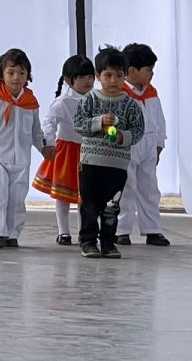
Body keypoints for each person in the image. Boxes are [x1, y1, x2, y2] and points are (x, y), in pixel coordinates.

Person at [0, 48, 52, 248]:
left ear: (28, 75)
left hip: (21, 159)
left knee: (17, 198)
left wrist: (44, 148)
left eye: (21, 73)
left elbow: (36, 132)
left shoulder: (31, 103)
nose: (16, 77)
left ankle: (12, 233)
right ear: (1, 75)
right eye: (11, 72)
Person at [72, 46, 144, 259]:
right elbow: (78, 124)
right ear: (98, 76)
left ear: (126, 76)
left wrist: (122, 136)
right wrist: (98, 122)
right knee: (89, 205)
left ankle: (108, 243)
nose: (114, 80)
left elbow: (139, 131)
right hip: (90, 163)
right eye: (108, 75)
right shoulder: (89, 100)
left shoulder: (131, 105)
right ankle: (87, 241)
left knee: (111, 206)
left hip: (117, 166)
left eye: (119, 75)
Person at [33, 54, 94, 245]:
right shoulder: (63, 101)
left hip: (90, 152)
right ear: (69, 80)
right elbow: (49, 122)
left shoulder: (96, 99)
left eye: (90, 77)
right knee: (63, 194)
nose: (88, 81)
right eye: (82, 77)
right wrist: (49, 143)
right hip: (67, 151)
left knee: (85, 195)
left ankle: (85, 231)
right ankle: (64, 231)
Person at [116, 43, 170, 247]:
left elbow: (159, 120)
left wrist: (159, 144)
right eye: (148, 70)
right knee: (126, 188)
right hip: (127, 145)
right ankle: (121, 230)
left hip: (148, 145)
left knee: (149, 189)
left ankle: (152, 230)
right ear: (131, 71)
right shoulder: (119, 93)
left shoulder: (151, 93)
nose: (152, 74)